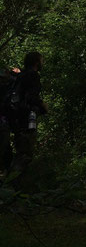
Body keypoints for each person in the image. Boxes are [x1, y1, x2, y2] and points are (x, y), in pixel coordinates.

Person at [6, 53, 47, 182]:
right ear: (36, 62)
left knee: (21, 148)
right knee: (25, 152)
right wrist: (42, 106)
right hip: (26, 117)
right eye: (41, 61)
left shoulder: (21, 75)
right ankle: (14, 184)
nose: (42, 63)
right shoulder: (32, 75)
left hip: (15, 117)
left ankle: (14, 183)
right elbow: (31, 97)